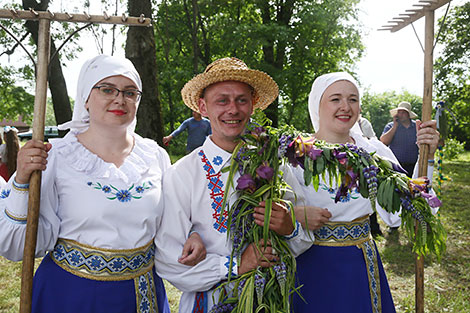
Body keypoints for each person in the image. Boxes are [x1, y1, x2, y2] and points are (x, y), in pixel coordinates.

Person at [0, 54, 205, 313]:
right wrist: (21, 178)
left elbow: (173, 216)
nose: (119, 99)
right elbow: (18, 246)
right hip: (69, 294)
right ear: (86, 97)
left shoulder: (155, 156)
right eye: (107, 89)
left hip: (139, 296)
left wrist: (192, 232)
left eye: (130, 93)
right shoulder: (55, 156)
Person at [154, 57, 308, 312]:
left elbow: (302, 242)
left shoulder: (275, 164)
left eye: (241, 100)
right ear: (203, 107)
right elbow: (170, 262)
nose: (233, 110)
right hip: (210, 303)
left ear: (253, 104)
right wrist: (235, 265)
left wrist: (290, 229)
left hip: (271, 302)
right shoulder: (182, 173)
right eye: (222, 100)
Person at [289, 72, 439, 313]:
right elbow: (272, 213)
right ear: (317, 104)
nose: (345, 107)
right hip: (309, 265)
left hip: (359, 265)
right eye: (335, 99)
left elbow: (407, 209)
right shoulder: (294, 155)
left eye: (353, 99)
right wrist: (293, 214)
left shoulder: (371, 151)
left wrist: (427, 156)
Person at [380, 101, 419, 178]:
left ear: (408, 114)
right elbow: (383, 142)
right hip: (396, 166)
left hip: (413, 166)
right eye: (399, 112)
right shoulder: (390, 126)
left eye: (403, 112)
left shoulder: (416, 126)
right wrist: (395, 126)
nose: (400, 115)